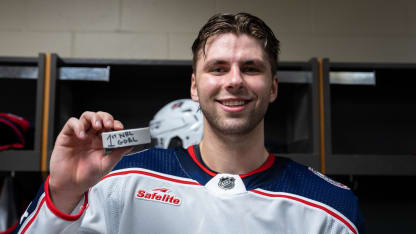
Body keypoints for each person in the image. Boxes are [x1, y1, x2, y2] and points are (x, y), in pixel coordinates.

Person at [15, 12, 364, 233]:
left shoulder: (330, 208)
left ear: (273, 87)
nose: (234, 81)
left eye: (252, 68)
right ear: (195, 87)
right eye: (218, 68)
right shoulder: (121, 182)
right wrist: (62, 193)